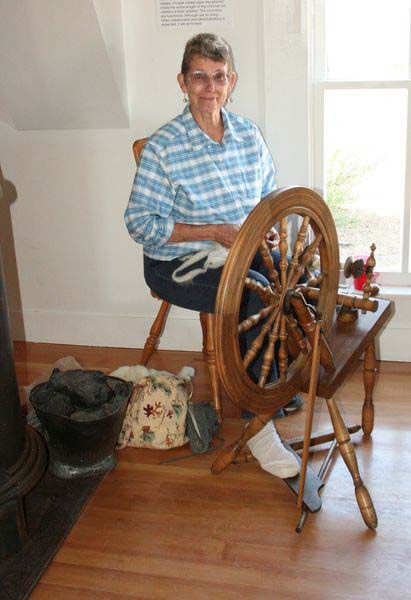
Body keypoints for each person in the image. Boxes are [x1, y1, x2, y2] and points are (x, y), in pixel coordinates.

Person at [125, 33, 301, 478]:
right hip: (175, 260)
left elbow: (268, 197)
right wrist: (213, 232)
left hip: (239, 250)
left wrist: (273, 236)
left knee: (296, 278)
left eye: (218, 77)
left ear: (231, 81)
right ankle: (254, 424)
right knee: (254, 294)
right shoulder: (165, 146)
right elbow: (140, 223)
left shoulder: (247, 135)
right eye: (199, 77)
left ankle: (272, 379)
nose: (210, 87)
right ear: (182, 82)